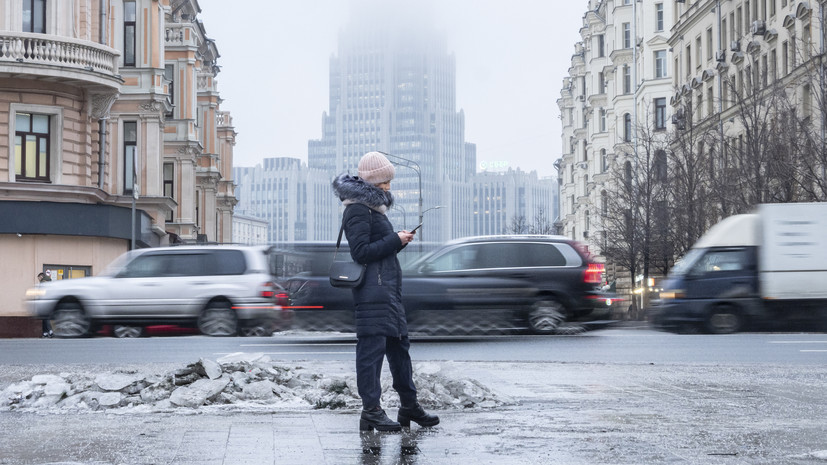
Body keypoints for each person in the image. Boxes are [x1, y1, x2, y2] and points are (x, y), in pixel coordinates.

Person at [332, 151, 439, 432]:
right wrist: (394, 239)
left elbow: (379, 249)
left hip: (388, 293)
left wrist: (399, 241)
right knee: (371, 354)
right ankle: (371, 411)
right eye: (385, 182)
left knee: (400, 351)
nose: (389, 187)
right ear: (372, 182)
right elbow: (361, 252)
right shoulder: (356, 209)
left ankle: (409, 407)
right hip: (372, 294)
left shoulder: (373, 210)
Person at [37, 271, 53, 338]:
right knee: (44, 318)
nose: (38, 279)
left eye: (38, 278)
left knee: (45, 318)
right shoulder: (49, 281)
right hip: (49, 301)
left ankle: (50, 331)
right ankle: (45, 333)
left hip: (44, 301)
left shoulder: (43, 282)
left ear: (41, 276)